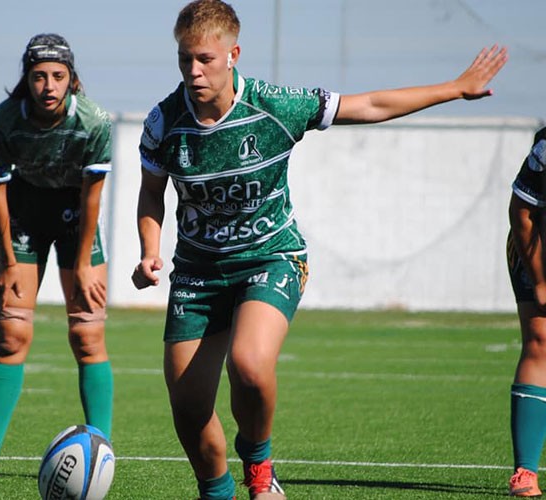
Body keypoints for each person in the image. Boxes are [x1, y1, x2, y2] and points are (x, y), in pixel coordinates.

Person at [131, 1, 508, 498]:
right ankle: (217, 491)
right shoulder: (164, 121)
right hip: (198, 272)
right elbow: (152, 192)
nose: (193, 71)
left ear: (233, 54)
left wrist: (454, 89)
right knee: (188, 407)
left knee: (248, 364)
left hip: (271, 258)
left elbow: (369, 105)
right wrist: (149, 249)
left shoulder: (275, 105)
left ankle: (259, 467)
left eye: (204, 59)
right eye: (185, 59)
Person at [0, 33, 114, 481]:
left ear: (72, 80)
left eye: (58, 76)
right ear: (26, 79)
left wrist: (82, 264)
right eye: (39, 76)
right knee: (11, 334)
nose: (48, 85)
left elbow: (92, 196)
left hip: (75, 220)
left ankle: (102, 455)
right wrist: (5, 259)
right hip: (23, 219)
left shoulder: (96, 122)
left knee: (87, 337)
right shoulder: (2, 121)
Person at [507, 126, 546, 497]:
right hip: (535, 242)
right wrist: (540, 281)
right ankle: (525, 472)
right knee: (540, 341)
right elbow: (521, 211)